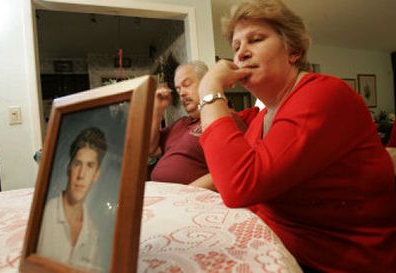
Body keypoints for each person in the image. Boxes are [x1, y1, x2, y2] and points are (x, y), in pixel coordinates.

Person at [197, 0, 396, 272]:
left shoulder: (323, 95)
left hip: (336, 262)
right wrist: (184, 191)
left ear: (293, 51)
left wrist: (209, 90)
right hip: (280, 249)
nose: (241, 53)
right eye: (236, 47)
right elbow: (233, 168)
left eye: (255, 40)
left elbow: (239, 185)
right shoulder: (262, 118)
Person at [149, 61, 246, 189]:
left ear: (205, 83)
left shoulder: (225, 119)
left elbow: (231, 170)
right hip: (160, 194)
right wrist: (158, 109)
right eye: (178, 89)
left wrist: (184, 194)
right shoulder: (181, 123)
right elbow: (151, 149)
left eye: (187, 85)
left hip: (185, 200)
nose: (181, 93)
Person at [37, 127, 107, 271]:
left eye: (90, 166)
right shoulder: (44, 216)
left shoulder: (92, 234)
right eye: (77, 164)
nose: (81, 174)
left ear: (96, 174)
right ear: (69, 168)